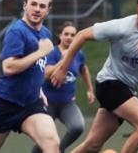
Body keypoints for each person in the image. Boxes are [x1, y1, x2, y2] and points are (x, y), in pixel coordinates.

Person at [50, 0, 138, 153]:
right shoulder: (121, 27)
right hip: (109, 83)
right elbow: (81, 35)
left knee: (92, 145)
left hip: (128, 89)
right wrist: (63, 68)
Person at [0, 0, 60, 153]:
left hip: (31, 104)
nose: (37, 9)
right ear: (25, 6)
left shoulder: (46, 34)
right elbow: (9, 67)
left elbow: (37, 67)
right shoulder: (17, 31)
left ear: (48, 10)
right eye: (33, 4)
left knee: (52, 143)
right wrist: (40, 52)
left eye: (42, 6)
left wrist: (39, 88)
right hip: (5, 104)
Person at [32, 22, 95, 153]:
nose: (69, 37)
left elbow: (83, 69)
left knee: (78, 126)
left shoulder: (79, 54)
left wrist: (90, 90)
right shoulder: (52, 52)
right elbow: (46, 73)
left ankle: (59, 150)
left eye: (73, 35)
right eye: (66, 34)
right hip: (47, 103)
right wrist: (65, 60)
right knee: (46, 139)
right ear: (60, 35)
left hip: (67, 103)